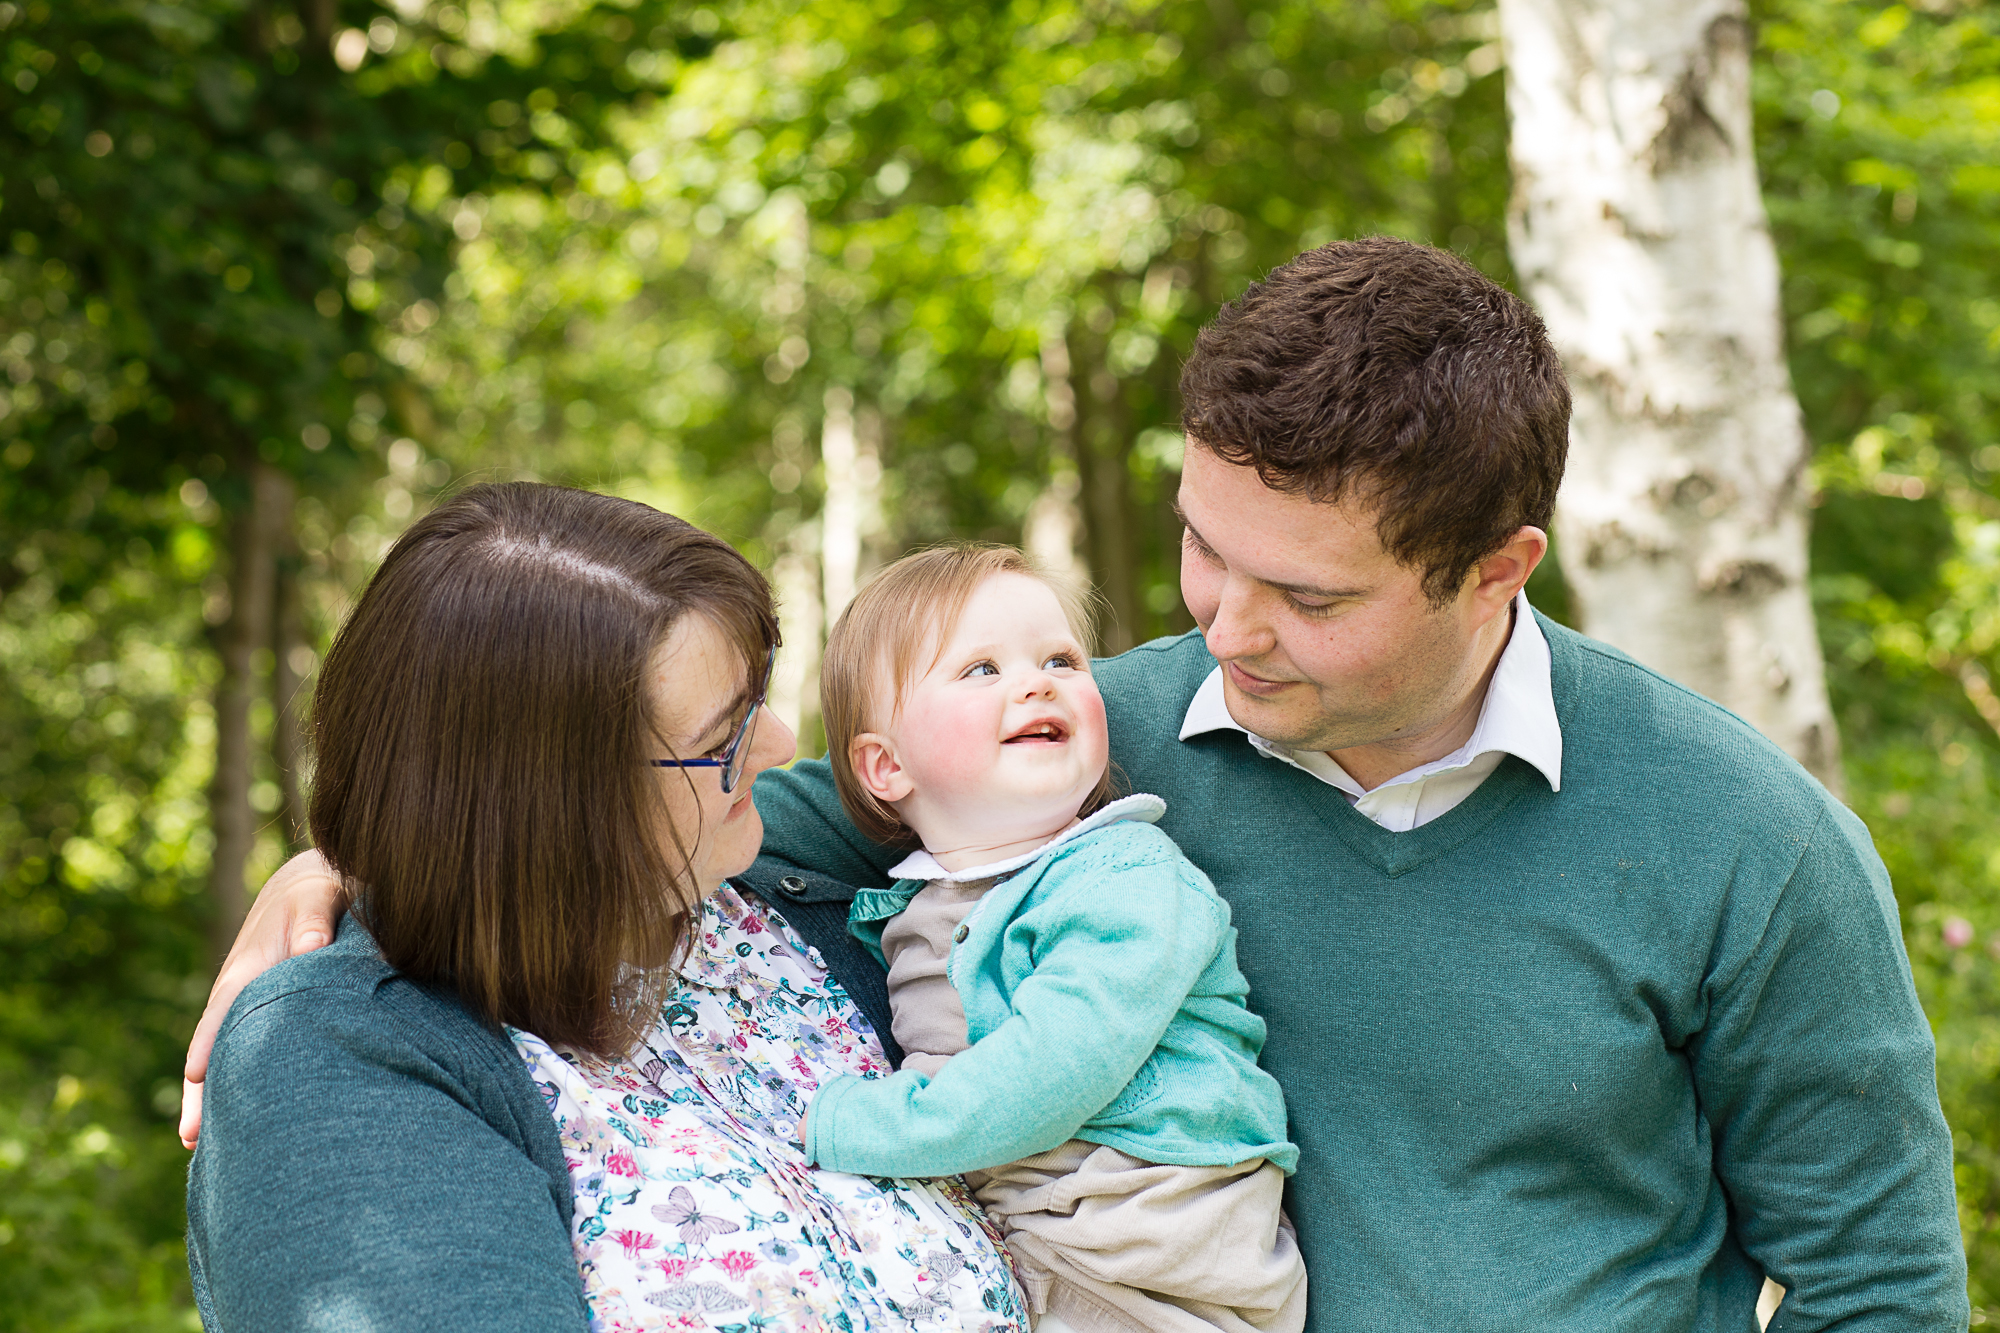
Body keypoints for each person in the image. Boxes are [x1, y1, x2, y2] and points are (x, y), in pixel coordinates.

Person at [189, 239, 1970, 1330]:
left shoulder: (1743, 842)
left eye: (1310, 595)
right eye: (1203, 548)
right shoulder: (1082, 743)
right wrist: (340, 866)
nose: (1226, 628)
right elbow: (655, 812)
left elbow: (1877, 1291)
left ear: (1499, 565)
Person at [184, 483, 1030, 1331]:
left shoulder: (790, 889)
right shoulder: (343, 1061)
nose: (779, 747)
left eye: (759, 692)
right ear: (552, 810)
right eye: (721, 740)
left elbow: (1060, 714)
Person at [804, 543, 1307, 1333]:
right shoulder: (914, 905)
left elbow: (1043, 1076)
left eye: (1063, 659)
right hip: (1034, 1231)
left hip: (1149, 1247)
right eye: (981, 670)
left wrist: (845, 1124)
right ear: (885, 766)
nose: (1037, 682)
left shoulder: (1127, 877)